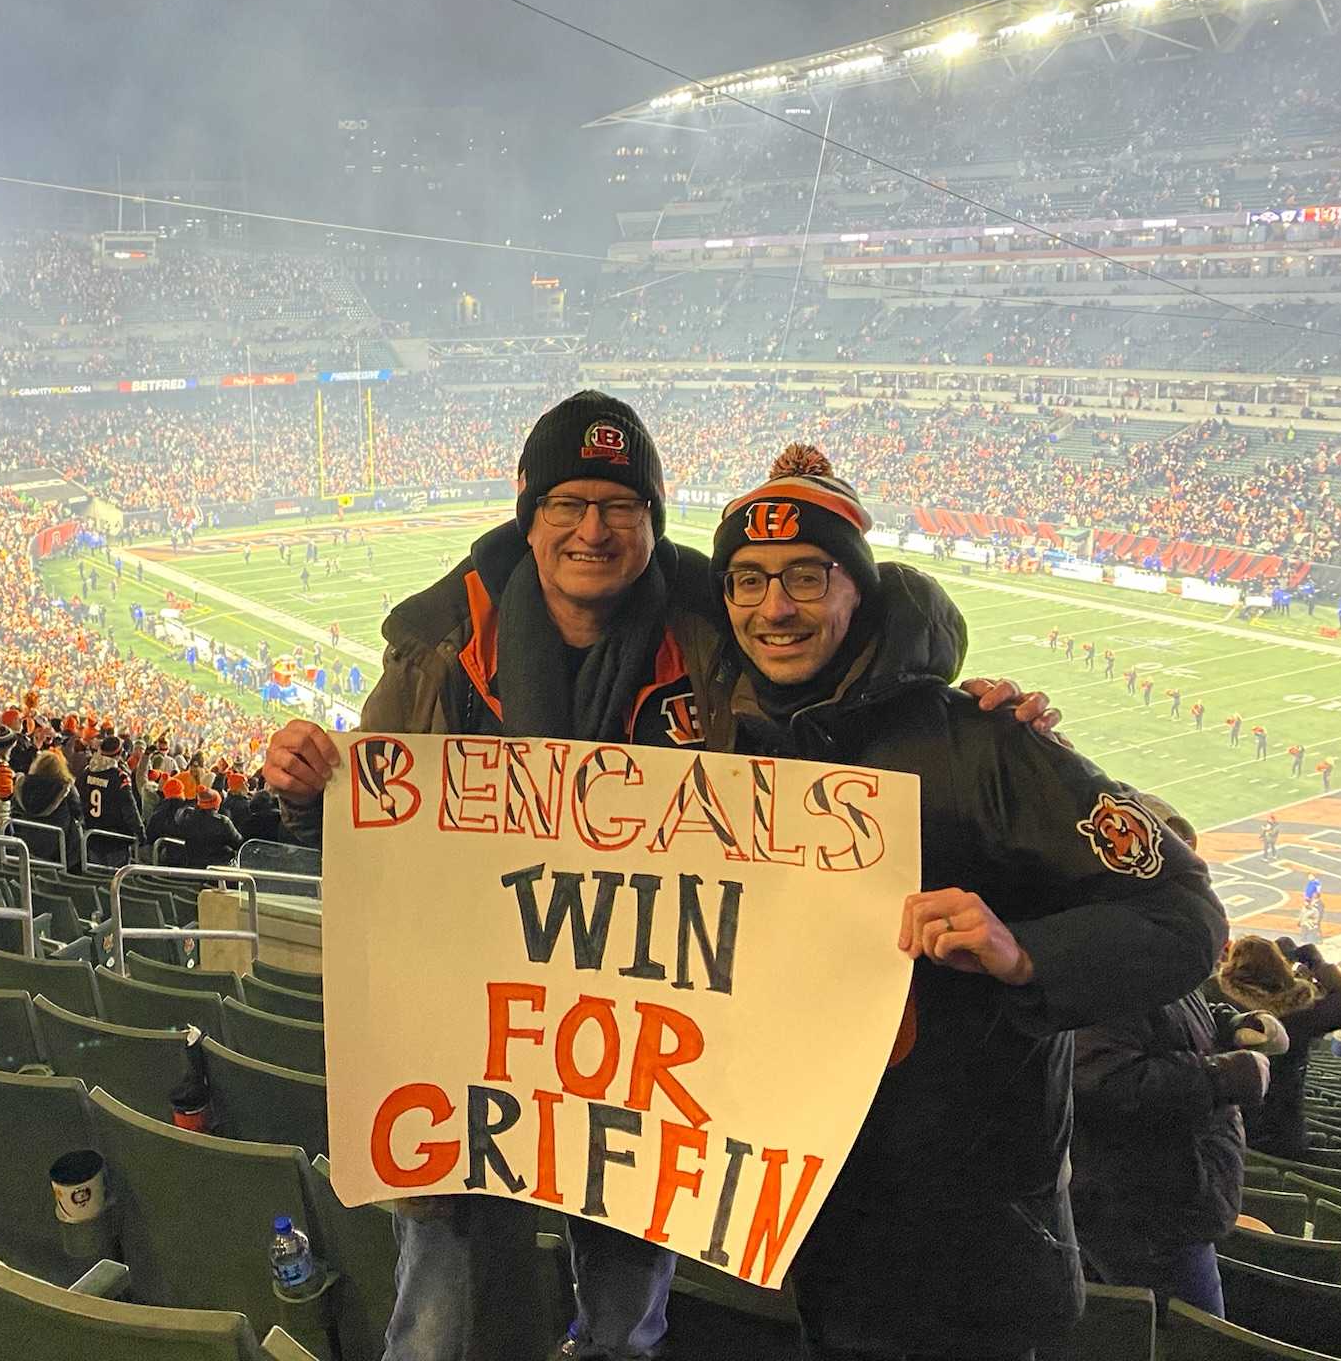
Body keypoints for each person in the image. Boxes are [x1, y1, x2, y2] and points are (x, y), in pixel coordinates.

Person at [264, 407, 1063, 1361]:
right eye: (569, 503)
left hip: (637, 1066)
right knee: (438, 1312)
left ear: (653, 517)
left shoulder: (714, 634)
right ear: (529, 510)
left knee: (624, 1307)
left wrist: (962, 705)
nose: (592, 531)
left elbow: (845, 683)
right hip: (470, 1041)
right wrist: (312, 797)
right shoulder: (442, 650)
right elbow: (380, 843)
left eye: (619, 506)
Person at [699, 444, 1226, 1360]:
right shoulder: (723, 749)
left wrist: (1025, 953)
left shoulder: (988, 745)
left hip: (967, 1245)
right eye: (747, 580)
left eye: (803, 577)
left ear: (858, 589)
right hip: (806, 1220)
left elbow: (1185, 917)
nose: (772, 607)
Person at [1072, 993, 1287, 1315]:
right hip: (1147, 1213)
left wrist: (1233, 1024)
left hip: (1168, 1201)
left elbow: (1172, 1020)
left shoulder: (1152, 961)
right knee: (1188, 1339)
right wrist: (1220, 1076)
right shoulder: (1098, 970)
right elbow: (1104, 1080)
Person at [1214, 936, 1341, 1158]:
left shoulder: (1215, 999)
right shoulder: (1300, 1014)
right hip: (1281, 1128)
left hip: (1228, 1126)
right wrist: (1317, 963)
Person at [163, 787, 243, 869]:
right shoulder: (223, 822)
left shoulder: (187, 817)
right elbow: (237, 843)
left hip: (192, 865)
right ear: (217, 804)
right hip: (218, 868)